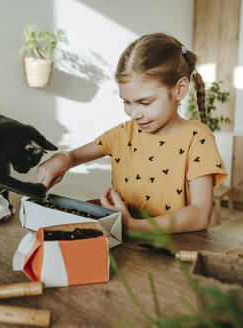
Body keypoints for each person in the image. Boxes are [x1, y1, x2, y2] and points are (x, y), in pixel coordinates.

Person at [37, 33, 228, 233]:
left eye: (145, 102)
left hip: (172, 249)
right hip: (124, 241)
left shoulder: (197, 138)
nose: (134, 114)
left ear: (179, 89)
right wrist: (63, 158)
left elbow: (200, 215)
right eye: (126, 102)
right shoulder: (124, 133)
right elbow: (74, 157)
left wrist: (132, 225)